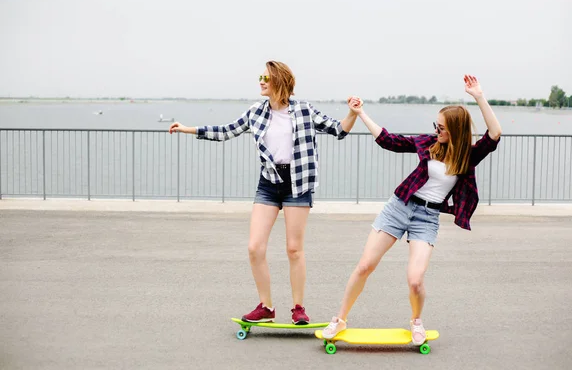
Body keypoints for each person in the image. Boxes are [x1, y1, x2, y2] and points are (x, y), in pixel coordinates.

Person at [169, 61, 359, 324]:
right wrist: (188, 129)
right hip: (269, 183)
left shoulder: (304, 110)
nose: (260, 81)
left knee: (294, 250)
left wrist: (353, 113)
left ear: (279, 81)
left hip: (297, 183)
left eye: (265, 77)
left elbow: (339, 129)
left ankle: (298, 308)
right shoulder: (256, 112)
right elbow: (226, 131)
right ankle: (266, 307)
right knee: (255, 247)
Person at [321, 75, 502, 344]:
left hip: (427, 218)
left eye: (441, 127)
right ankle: (340, 318)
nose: (436, 131)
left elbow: (495, 134)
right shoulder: (428, 144)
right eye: (435, 126)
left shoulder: (468, 155)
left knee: (415, 280)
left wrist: (478, 96)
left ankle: (416, 321)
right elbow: (389, 141)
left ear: (455, 129)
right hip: (399, 207)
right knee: (365, 266)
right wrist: (360, 113)